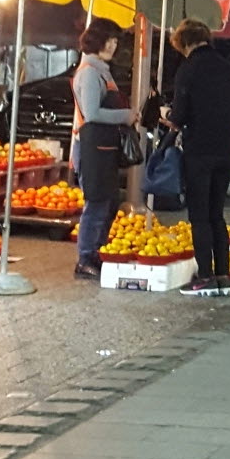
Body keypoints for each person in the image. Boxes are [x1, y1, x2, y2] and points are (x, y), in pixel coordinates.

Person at [166, 18, 230, 297]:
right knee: (217, 214)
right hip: (226, 148)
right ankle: (223, 276)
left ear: (184, 42)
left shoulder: (189, 68)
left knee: (199, 216)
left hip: (200, 149)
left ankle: (205, 276)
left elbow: (180, 114)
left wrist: (168, 118)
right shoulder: (227, 67)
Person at [70, 18, 135, 280]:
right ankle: (85, 258)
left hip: (104, 147)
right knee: (96, 203)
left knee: (107, 203)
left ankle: (98, 253)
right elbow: (92, 112)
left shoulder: (101, 70)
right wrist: (125, 115)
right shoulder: (89, 72)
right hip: (91, 148)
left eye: (116, 41)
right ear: (97, 41)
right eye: (110, 40)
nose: (114, 46)